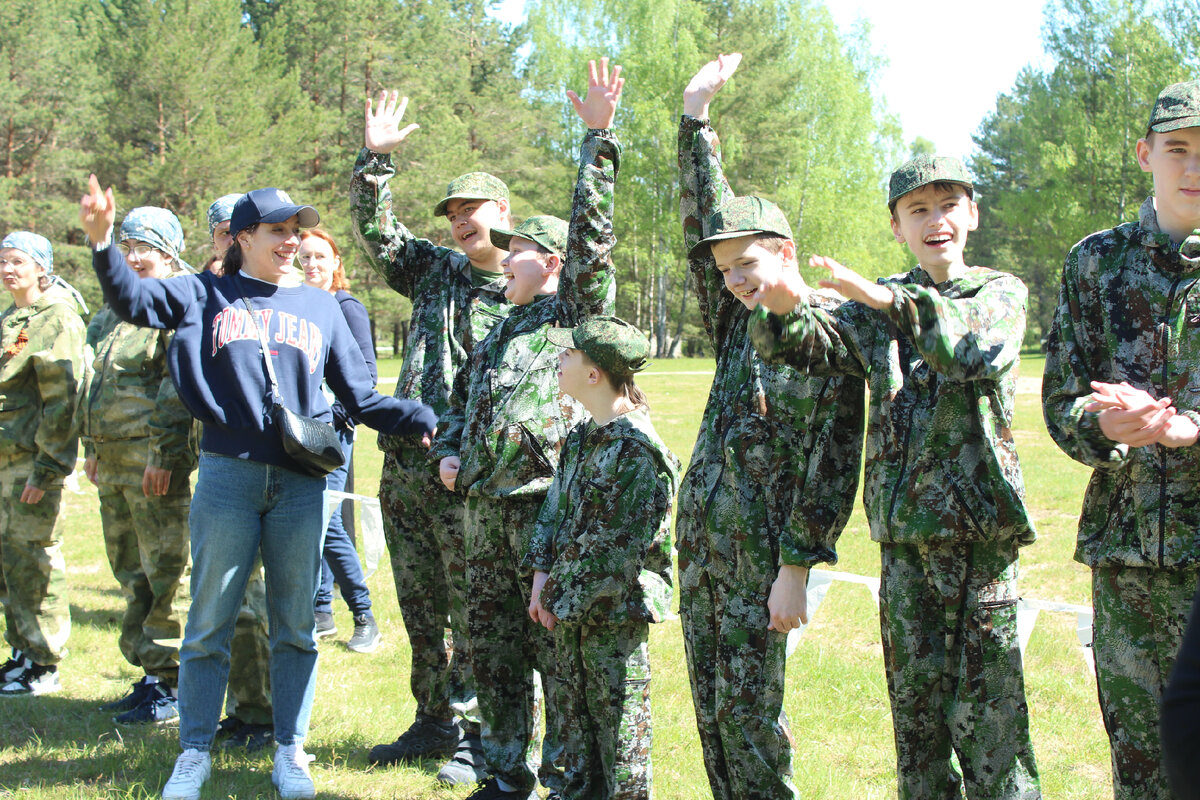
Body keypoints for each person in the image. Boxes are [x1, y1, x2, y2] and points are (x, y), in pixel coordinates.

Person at [79, 178, 437, 800]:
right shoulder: (203, 292)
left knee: (295, 625)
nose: (292, 241)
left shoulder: (321, 307)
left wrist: (423, 420)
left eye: (297, 231)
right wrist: (104, 242)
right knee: (208, 621)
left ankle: (289, 748)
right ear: (243, 236)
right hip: (228, 475)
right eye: (278, 230)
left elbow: (363, 396)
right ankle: (192, 753)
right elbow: (134, 300)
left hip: (301, 483)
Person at [749, 150, 1040, 798]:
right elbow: (809, 348)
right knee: (919, 739)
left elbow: (969, 348)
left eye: (947, 206)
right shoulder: (873, 307)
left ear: (972, 214)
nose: (934, 220)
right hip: (906, 550)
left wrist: (879, 297)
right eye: (917, 210)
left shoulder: (998, 293)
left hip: (981, 548)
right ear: (897, 225)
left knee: (995, 735)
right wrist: (781, 306)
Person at [429, 57, 621, 800]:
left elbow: (596, 243)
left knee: (556, 656)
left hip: (545, 512)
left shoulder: (570, 315)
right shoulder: (497, 329)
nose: (502, 258)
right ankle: (505, 773)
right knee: (493, 654)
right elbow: (458, 404)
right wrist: (449, 450)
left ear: (553, 263)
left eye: (518, 251)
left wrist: (596, 144)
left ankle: (569, 775)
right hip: (481, 517)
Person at [673, 55, 864, 799]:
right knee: (715, 711)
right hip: (702, 547)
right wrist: (695, 124)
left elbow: (832, 459)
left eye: (747, 265)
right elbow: (705, 210)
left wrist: (797, 565)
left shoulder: (829, 332)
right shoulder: (735, 320)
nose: (733, 282)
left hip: (764, 561)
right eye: (722, 271)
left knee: (752, 716)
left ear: (784, 252)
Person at [1042, 79, 1200, 800]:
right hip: (1127, 554)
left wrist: (1190, 429)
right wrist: (1102, 427)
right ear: (1146, 155)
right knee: (1138, 766)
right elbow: (1060, 400)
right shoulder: (1093, 264)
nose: (1192, 167)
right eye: (1177, 150)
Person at [350, 91, 514, 776]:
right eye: (451, 214)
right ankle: (433, 719)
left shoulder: (525, 288)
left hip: (471, 475)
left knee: (475, 605)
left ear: (500, 213)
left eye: (470, 211)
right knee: (419, 603)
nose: (459, 223)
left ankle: (481, 732)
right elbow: (377, 231)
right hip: (408, 469)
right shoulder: (434, 272)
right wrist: (375, 163)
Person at [526, 316, 679, 800]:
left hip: (612, 616)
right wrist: (540, 578)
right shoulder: (582, 435)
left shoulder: (637, 450)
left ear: (594, 375)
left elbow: (611, 553)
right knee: (576, 733)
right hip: (569, 609)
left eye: (568, 355)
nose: (559, 360)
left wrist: (557, 598)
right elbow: (553, 512)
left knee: (619, 744)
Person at [83, 207, 198, 725]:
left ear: (169, 250)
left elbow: (178, 389)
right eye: (126, 246)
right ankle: (151, 674)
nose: (133, 256)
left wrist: (165, 456)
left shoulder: (173, 302)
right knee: (132, 572)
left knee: (166, 571)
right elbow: (95, 385)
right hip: (113, 461)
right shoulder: (111, 310)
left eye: (144, 247)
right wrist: (92, 447)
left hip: (153, 464)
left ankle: (175, 683)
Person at [0, 231, 87, 697]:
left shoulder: (56, 317)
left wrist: (48, 468)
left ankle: (45, 663)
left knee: (35, 560)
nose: (9, 270)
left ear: (41, 267)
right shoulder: (12, 317)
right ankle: (22, 653)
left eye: (18, 262)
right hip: (4, 462)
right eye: (3, 262)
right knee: (10, 562)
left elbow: (62, 398)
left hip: (29, 464)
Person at [207, 191, 276, 752]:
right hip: (212, 463)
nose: (227, 242)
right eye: (220, 232)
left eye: (236, 231)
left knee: (251, 598)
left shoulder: (273, 295)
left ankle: (260, 712)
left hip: (266, 466)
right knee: (216, 598)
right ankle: (235, 707)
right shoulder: (202, 294)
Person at [298, 227, 381, 653]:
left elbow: (365, 375)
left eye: (319, 257)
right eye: (304, 257)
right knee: (309, 517)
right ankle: (319, 611)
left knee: (326, 518)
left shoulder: (346, 307)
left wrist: (337, 418)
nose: (311, 264)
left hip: (332, 431)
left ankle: (365, 615)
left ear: (335, 263)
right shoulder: (297, 304)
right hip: (296, 432)